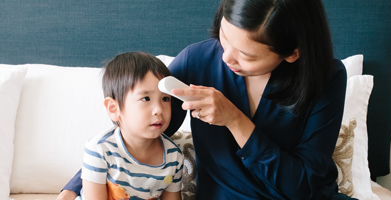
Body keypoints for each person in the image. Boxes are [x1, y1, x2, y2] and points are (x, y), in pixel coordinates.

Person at [58, 0, 355, 199]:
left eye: (247, 55)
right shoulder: (198, 60)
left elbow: (302, 186)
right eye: (224, 38)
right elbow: (138, 130)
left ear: (293, 53)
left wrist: (235, 120)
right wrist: (76, 185)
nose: (226, 58)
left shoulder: (326, 78)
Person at [74, 52, 183, 200]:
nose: (159, 110)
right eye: (146, 98)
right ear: (114, 108)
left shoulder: (173, 156)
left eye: (165, 98)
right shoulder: (100, 150)